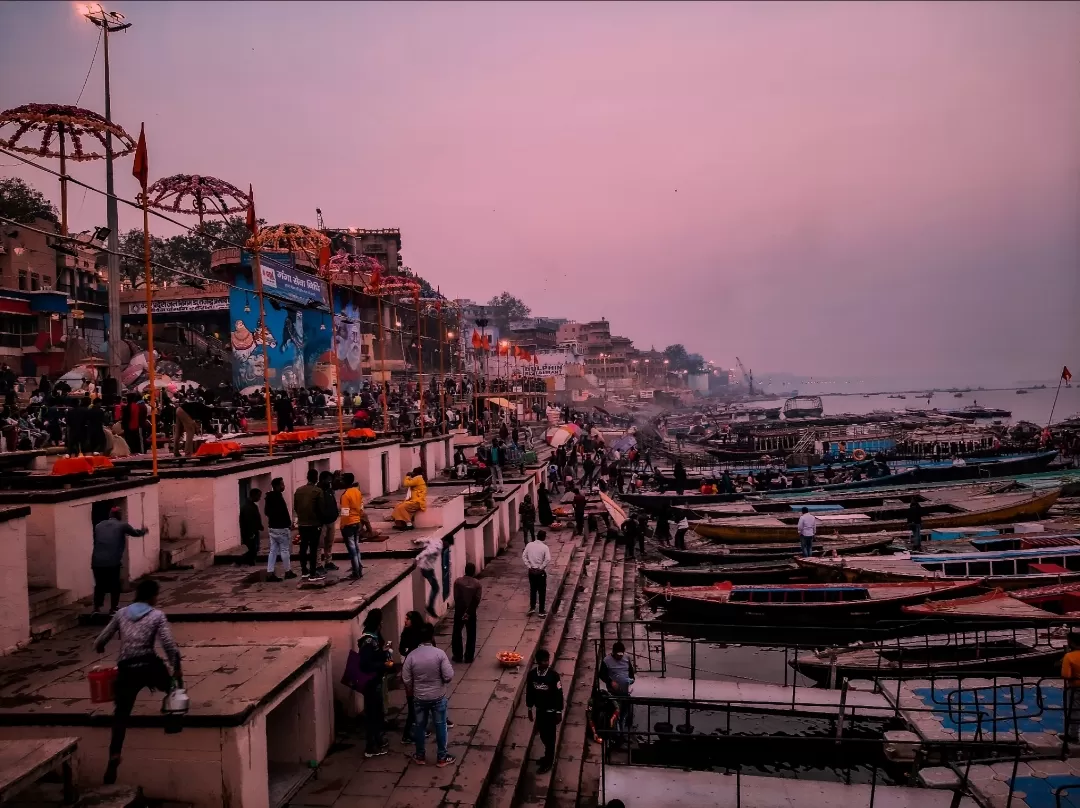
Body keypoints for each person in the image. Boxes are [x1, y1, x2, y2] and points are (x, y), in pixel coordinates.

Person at [95, 579, 181, 784]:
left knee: (121, 715)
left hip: (126, 668)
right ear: (152, 596)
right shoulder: (156, 615)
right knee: (172, 686)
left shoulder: (121, 613)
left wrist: (100, 646)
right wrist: (175, 665)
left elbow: (102, 638)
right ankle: (172, 720)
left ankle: (114, 754)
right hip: (149, 665)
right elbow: (168, 644)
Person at [402, 622, 455, 767]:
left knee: (420, 726)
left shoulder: (411, 656)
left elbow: (406, 678)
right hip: (438, 696)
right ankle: (442, 758)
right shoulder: (439, 654)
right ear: (432, 636)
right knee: (440, 726)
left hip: (419, 698)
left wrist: (414, 689)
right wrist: (441, 681)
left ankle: (420, 756)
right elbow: (449, 675)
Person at [91, 507, 149, 615]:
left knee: (99, 584)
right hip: (112, 561)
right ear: (119, 516)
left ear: (110, 515)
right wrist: (144, 531)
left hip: (96, 561)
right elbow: (136, 533)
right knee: (114, 584)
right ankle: (113, 608)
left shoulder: (98, 526)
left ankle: (96, 608)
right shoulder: (122, 525)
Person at [357, 608, 392, 758]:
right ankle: (370, 747)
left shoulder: (374, 636)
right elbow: (365, 664)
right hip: (371, 682)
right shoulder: (368, 640)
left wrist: (384, 653)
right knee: (372, 714)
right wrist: (383, 665)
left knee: (378, 712)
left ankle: (378, 738)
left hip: (377, 680)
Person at [526, 647, 564, 774]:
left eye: (547, 661)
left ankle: (548, 761)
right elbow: (530, 692)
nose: (546, 663)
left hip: (551, 712)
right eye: (543, 661)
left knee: (550, 738)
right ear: (538, 662)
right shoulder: (532, 675)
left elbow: (559, 694)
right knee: (542, 735)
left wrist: (559, 711)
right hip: (540, 711)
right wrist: (529, 708)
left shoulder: (553, 676)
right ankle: (547, 756)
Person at [398, 611, 426, 744]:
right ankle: (408, 734)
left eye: (408, 619)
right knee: (413, 705)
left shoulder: (419, 633)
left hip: (417, 670)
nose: (405, 621)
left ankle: (419, 729)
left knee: (419, 703)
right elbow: (401, 649)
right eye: (405, 618)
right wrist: (408, 652)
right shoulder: (407, 633)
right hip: (413, 672)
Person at [293, 468, 325, 579]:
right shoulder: (317, 491)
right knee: (313, 548)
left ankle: (304, 571)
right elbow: (321, 509)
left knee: (303, 547)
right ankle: (312, 572)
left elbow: (296, 507)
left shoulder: (298, 490)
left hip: (302, 524)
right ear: (316, 478)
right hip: (314, 524)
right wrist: (321, 522)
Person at [600, 641, 636, 736]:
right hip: (613, 690)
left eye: (621, 655)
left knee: (625, 710)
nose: (620, 657)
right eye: (618, 655)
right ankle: (615, 729)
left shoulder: (627, 658)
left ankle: (623, 727)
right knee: (616, 709)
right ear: (613, 652)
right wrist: (610, 682)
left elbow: (632, 674)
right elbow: (602, 674)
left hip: (625, 689)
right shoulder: (606, 660)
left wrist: (631, 680)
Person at [263, 477, 295, 581]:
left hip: (272, 528)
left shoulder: (269, 498)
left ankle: (270, 572)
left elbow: (266, 512)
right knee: (284, 550)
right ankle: (288, 571)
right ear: (276, 486)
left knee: (273, 551)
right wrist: (288, 524)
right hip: (282, 528)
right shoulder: (278, 498)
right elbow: (284, 513)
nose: (283, 486)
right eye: (282, 484)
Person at [451, 562, 482, 663]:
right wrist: (468, 613)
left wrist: (462, 611)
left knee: (457, 633)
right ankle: (469, 656)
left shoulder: (458, 582)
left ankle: (458, 655)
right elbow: (476, 600)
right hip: (471, 612)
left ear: (465, 570)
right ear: (473, 571)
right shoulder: (477, 584)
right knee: (471, 633)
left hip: (459, 611)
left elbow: (457, 598)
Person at [339, 473, 366, 579]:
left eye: (342, 480)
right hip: (356, 521)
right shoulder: (357, 491)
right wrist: (359, 519)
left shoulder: (345, 495)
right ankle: (359, 568)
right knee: (356, 546)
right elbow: (361, 507)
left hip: (348, 523)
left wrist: (342, 525)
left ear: (346, 481)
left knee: (352, 549)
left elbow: (345, 512)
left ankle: (356, 572)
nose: (340, 482)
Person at [416, 534, 447, 618]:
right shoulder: (438, 547)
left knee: (435, 588)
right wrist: (418, 557)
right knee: (436, 588)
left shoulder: (437, 540)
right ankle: (430, 607)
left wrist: (418, 540)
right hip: (426, 569)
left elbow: (428, 539)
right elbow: (428, 551)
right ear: (446, 542)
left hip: (428, 568)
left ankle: (430, 607)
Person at [523, 529, 551, 617]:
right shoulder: (544, 547)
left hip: (531, 571)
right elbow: (547, 559)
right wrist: (541, 568)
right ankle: (541, 611)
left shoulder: (529, 545)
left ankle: (532, 607)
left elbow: (524, 556)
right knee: (542, 591)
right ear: (543, 537)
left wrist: (529, 566)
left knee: (533, 589)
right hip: (540, 572)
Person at [317, 471, 339, 572]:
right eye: (328, 479)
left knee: (329, 543)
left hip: (331, 520)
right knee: (319, 544)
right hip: (322, 523)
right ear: (322, 480)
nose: (329, 481)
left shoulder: (329, 490)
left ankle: (328, 562)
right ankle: (318, 564)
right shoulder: (318, 491)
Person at [239, 488, 263, 565]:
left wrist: (260, 526)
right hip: (250, 532)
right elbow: (248, 521)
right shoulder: (247, 507)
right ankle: (240, 561)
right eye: (258, 496)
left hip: (254, 531)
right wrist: (251, 533)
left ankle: (250, 562)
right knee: (253, 549)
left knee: (255, 548)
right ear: (254, 495)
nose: (259, 498)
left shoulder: (252, 506)